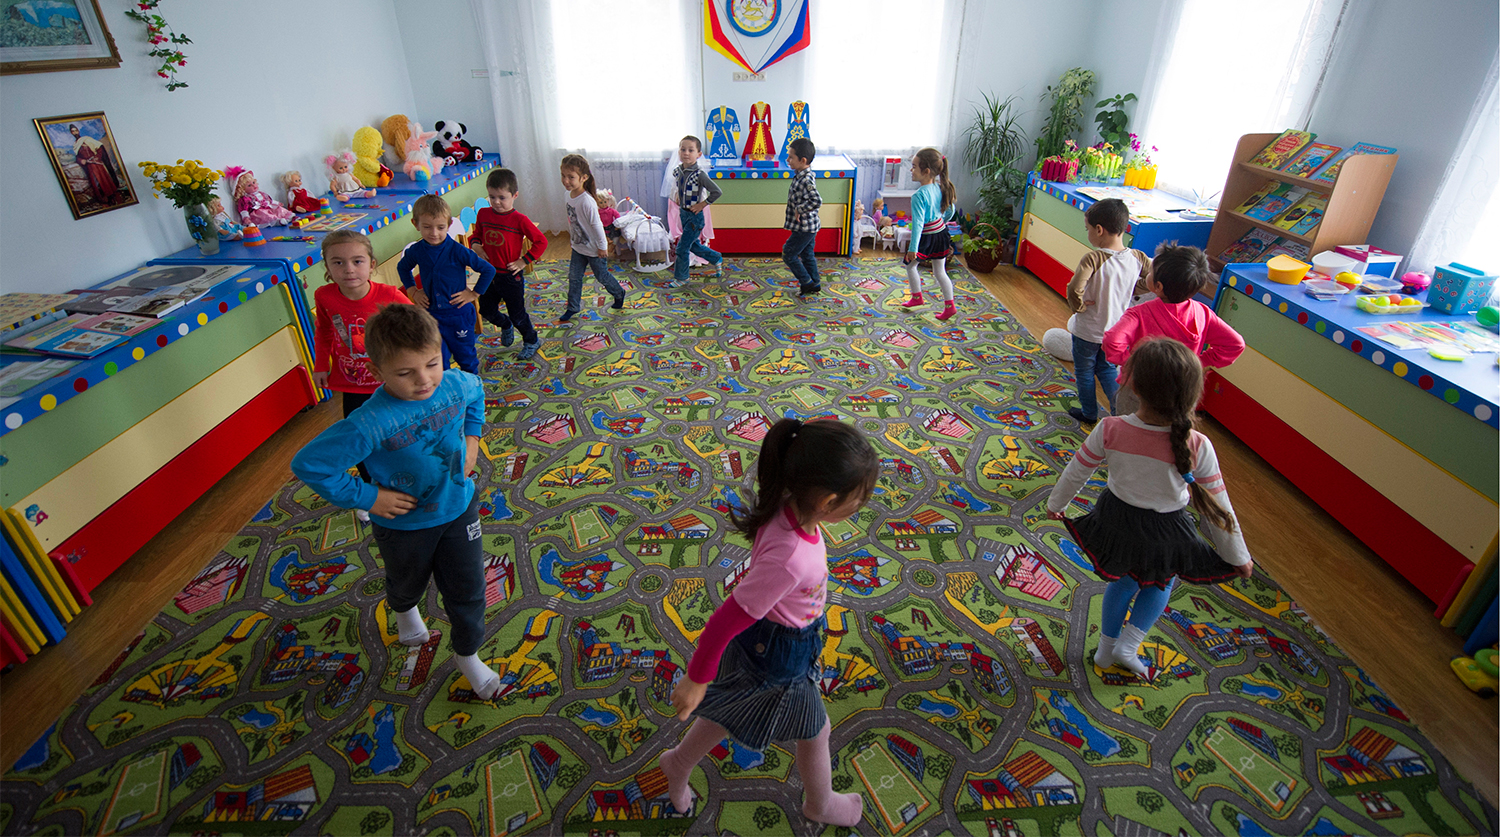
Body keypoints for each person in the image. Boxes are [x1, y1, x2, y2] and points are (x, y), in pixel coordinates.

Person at [659, 418, 878, 827]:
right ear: (828, 502)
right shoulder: (790, 557)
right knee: (816, 730)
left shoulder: (787, 504)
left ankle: (678, 762)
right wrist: (697, 678)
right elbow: (726, 620)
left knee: (730, 711)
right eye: (859, 500)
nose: (861, 506)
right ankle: (820, 803)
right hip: (779, 657)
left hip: (779, 638)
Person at [290, 304, 501, 698]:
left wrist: (472, 439)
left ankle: (467, 655)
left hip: (459, 507)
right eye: (405, 373)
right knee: (406, 582)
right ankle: (405, 611)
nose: (424, 380)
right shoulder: (369, 421)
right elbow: (310, 464)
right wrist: (368, 496)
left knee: (469, 588)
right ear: (377, 372)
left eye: (432, 364)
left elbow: (476, 391)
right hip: (404, 524)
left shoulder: (454, 384)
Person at [1047, 337, 1253, 677]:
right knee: (1160, 584)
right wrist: (1238, 556)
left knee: (1123, 582)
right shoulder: (1198, 444)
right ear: (1193, 393)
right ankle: (1128, 646)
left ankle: (1106, 650)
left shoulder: (1110, 428)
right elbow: (1218, 506)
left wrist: (1057, 504)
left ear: (1133, 385)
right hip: (1165, 531)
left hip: (1116, 520)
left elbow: (1077, 469)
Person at [311, 229, 415, 521]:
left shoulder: (389, 295)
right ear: (327, 267)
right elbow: (324, 331)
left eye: (357, 261)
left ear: (372, 264)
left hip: (390, 384)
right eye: (338, 262)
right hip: (352, 384)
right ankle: (372, 489)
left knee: (401, 434)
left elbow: (419, 328)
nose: (349, 269)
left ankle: (410, 477)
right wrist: (320, 365)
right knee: (360, 439)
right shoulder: (324, 296)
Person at [1101, 243, 1245, 416]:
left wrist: (1129, 363)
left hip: (1138, 386)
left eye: (1151, 271)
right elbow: (1236, 344)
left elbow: (1112, 341)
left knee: (1128, 427)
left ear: (1158, 287)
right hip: (1181, 389)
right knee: (1169, 430)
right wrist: (1198, 362)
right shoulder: (1203, 313)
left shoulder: (1139, 313)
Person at [1063, 198, 1153, 424]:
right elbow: (1153, 280)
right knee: (1107, 369)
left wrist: (1079, 306)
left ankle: (1089, 413)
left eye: (1087, 229)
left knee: (1084, 371)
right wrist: (1133, 288)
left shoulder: (1094, 258)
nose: (1088, 233)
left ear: (1099, 230)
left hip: (1087, 330)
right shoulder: (1137, 257)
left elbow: (1074, 288)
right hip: (1115, 331)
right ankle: (1120, 414)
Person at [396, 194, 496, 374]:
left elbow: (488, 270)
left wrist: (473, 294)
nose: (434, 233)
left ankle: (471, 386)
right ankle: (445, 389)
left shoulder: (458, 250)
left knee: (466, 358)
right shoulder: (417, 251)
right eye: (427, 227)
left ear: (449, 224)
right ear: (415, 224)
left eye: (440, 227)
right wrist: (413, 291)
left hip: (459, 315)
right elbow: (403, 267)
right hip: (431, 317)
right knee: (437, 361)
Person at [470, 167, 548, 361]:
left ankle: (531, 340)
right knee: (486, 309)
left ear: (515, 195)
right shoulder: (483, 214)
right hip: (488, 274)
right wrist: (476, 246)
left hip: (510, 276)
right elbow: (476, 235)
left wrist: (524, 261)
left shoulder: (519, 220)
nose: (496, 202)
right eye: (492, 197)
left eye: (502, 197)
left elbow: (541, 242)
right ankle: (505, 325)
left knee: (517, 315)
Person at [559, 153, 626, 323]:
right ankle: (572, 307)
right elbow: (573, 222)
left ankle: (619, 293)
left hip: (595, 250)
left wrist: (602, 247)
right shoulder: (568, 195)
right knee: (574, 277)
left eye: (571, 177)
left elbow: (597, 226)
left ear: (583, 178)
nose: (566, 181)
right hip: (578, 247)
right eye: (563, 176)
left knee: (602, 276)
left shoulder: (587, 201)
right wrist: (573, 240)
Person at [898, 147, 958, 320]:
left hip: (928, 237)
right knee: (940, 271)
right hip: (941, 233)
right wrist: (942, 222)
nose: (911, 170)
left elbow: (918, 224)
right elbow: (951, 210)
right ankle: (950, 306)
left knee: (910, 266)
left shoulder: (918, 196)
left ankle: (917, 297)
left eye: (914, 166)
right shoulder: (940, 187)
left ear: (926, 171)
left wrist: (913, 248)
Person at [668, 135, 724, 288]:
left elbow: (717, 192)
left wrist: (702, 204)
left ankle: (682, 278)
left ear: (698, 154)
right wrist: (678, 196)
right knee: (693, 245)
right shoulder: (678, 171)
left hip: (695, 217)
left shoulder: (700, 174)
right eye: (683, 149)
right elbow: (679, 187)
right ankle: (716, 258)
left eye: (690, 150)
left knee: (682, 248)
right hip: (684, 214)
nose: (686, 153)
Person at [782, 137, 823, 296]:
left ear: (803, 160)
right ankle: (815, 283)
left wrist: (800, 209)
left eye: (791, 157)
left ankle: (807, 282)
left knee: (789, 253)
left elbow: (816, 200)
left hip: (805, 227)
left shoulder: (806, 179)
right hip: (806, 226)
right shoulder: (801, 174)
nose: (788, 160)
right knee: (807, 255)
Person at [68, 124, 122, 206]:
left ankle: (111, 197)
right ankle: (103, 198)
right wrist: (82, 161)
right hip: (89, 166)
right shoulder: (75, 145)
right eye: (73, 131)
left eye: (76, 130)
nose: (75, 132)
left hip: (97, 165)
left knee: (103, 180)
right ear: (71, 133)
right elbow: (78, 157)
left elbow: (99, 148)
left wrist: (96, 158)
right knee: (95, 183)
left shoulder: (86, 139)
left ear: (78, 131)